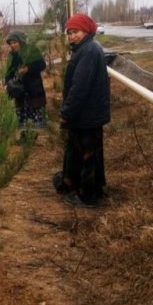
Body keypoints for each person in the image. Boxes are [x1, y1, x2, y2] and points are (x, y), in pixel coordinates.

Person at [58, 14, 110, 208]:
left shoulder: (87, 52)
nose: (72, 36)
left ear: (86, 31)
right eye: (69, 33)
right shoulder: (86, 49)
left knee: (86, 156)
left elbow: (79, 88)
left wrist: (66, 112)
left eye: (75, 32)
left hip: (86, 115)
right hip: (90, 114)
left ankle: (87, 197)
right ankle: (95, 189)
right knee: (92, 154)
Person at [4, 30, 47, 134]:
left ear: (21, 41)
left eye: (15, 42)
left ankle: (32, 136)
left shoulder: (32, 51)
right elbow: (8, 71)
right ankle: (24, 136)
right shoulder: (12, 55)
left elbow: (42, 65)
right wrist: (7, 83)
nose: (13, 45)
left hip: (33, 88)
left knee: (33, 111)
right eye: (11, 43)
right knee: (21, 112)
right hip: (19, 89)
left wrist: (28, 68)